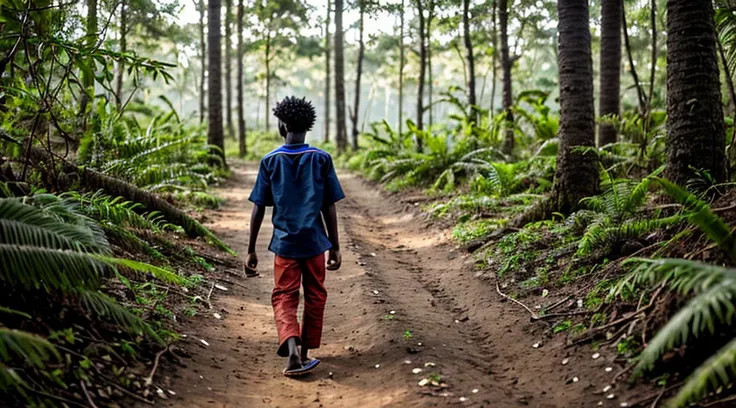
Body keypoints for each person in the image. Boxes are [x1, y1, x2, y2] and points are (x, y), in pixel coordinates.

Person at [245, 96, 344, 377]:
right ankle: (305, 354)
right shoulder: (322, 159)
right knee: (315, 295)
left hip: (285, 246)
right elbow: (329, 205)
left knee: (284, 296)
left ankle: (291, 354)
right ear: (307, 127)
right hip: (314, 245)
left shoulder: (270, 161)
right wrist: (334, 246)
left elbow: (258, 208)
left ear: (282, 125)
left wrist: (251, 249)